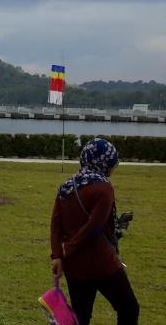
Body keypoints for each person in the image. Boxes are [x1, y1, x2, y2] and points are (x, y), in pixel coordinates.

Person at [50, 137, 139, 325]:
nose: (114, 168)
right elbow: (94, 226)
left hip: (74, 266)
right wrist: (69, 249)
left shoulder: (66, 187)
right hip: (102, 263)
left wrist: (59, 255)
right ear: (104, 162)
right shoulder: (103, 188)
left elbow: (56, 225)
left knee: (81, 316)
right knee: (129, 307)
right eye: (113, 164)